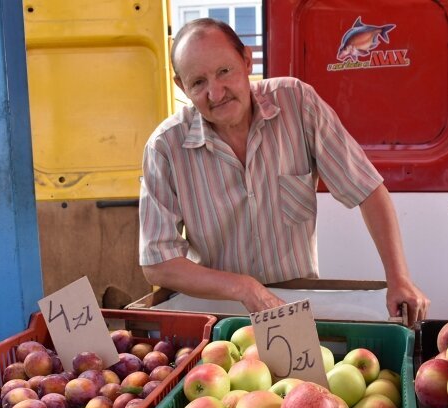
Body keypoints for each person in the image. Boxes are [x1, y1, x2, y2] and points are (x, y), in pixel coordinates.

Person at [139, 18, 429, 324]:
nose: (216, 92)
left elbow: (368, 190)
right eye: (198, 82)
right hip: (220, 316)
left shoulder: (298, 104)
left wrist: (399, 277)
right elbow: (157, 263)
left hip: (298, 305)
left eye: (224, 71)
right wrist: (243, 287)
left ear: (247, 60)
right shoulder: (165, 148)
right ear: (181, 86)